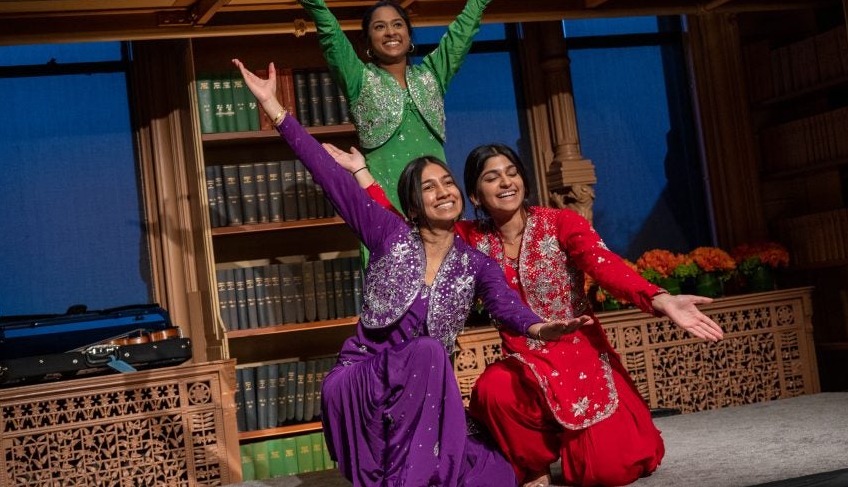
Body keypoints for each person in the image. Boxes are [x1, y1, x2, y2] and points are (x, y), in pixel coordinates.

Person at [233, 59, 590, 487]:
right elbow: (329, 176)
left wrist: (538, 328)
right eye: (430, 187)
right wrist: (275, 108)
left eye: (449, 183)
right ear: (414, 206)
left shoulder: (475, 263)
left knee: (497, 474)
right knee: (427, 351)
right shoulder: (389, 234)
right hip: (363, 382)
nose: (444, 192)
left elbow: (506, 306)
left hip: (419, 398)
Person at [324, 141, 725, 487]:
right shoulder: (469, 240)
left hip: (577, 356)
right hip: (525, 367)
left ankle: (588, 442)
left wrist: (658, 298)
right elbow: (403, 230)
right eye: (491, 177)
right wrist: (361, 173)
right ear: (476, 196)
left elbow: (604, 264)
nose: (505, 182)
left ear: (524, 182)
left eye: (511, 173)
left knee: (610, 470)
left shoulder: (560, 224)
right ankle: (534, 464)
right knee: (491, 389)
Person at [246, 0, 531, 212]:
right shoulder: (359, 78)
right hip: (384, 207)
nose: (390, 32)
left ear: (409, 35)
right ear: (368, 42)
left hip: (439, 207)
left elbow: (469, 19)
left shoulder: (433, 73)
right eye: (379, 27)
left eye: (397, 24)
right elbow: (326, 24)